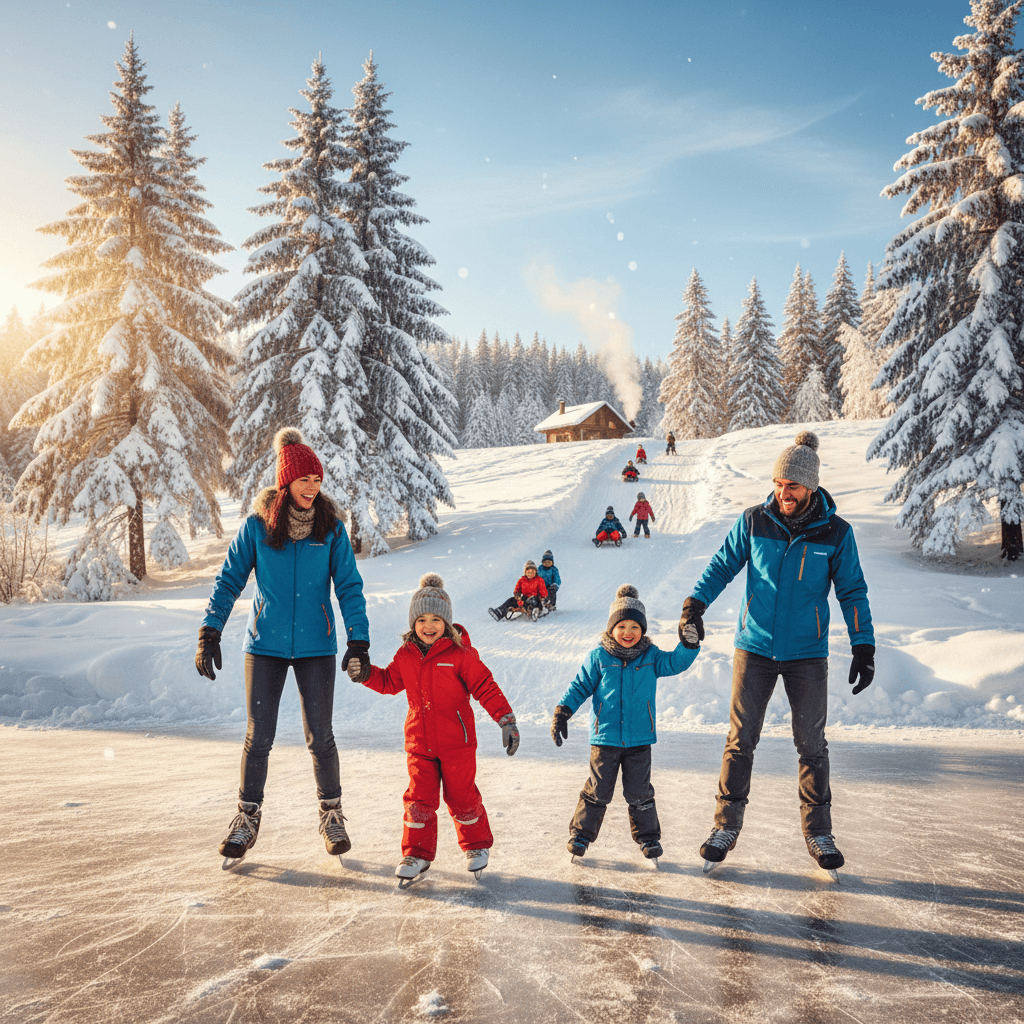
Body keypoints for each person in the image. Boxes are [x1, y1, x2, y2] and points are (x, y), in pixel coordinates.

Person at [678, 431, 875, 873]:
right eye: (778, 484)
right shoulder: (755, 521)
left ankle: (819, 833)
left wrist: (863, 644)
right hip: (755, 648)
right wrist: (694, 605)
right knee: (740, 741)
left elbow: (852, 591)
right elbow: (722, 566)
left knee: (811, 745)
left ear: (811, 487)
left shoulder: (836, 533)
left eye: (793, 486)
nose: (784, 493)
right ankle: (724, 826)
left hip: (807, 654)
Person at [196, 428, 370, 864]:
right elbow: (229, 580)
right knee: (258, 737)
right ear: (285, 482)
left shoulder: (331, 529)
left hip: (316, 647)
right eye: (304, 479)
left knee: (321, 736)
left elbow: (349, 587)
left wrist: (359, 641)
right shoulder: (257, 527)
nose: (312, 487)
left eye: (317, 479)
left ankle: (332, 815)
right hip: (265, 646)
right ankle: (246, 819)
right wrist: (210, 631)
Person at [347, 574, 519, 882]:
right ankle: (416, 853)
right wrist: (366, 674)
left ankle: (476, 847)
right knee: (419, 800)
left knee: (462, 797)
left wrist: (505, 719)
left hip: (457, 744)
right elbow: (388, 682)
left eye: (436, 619)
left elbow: (485, 686)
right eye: (422, 620)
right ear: (413, 623)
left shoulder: (460, 655)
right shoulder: (406, 655)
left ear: (447, 623)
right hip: (419, 744)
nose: (429, 626)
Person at [550, 584, 701, 861]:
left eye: (634, 626)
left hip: (639, 739)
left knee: (640, 793)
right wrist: (563, 710)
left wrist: (689, 645)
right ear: (611, 629)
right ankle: (581, 835)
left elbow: (675, 662)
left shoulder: (651, 656)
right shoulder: (598, 657)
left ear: (642, 630)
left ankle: (648, 839)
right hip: (605, 738)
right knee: (598, 790)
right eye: (621, 626)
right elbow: (580, 686)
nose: (628, 632)